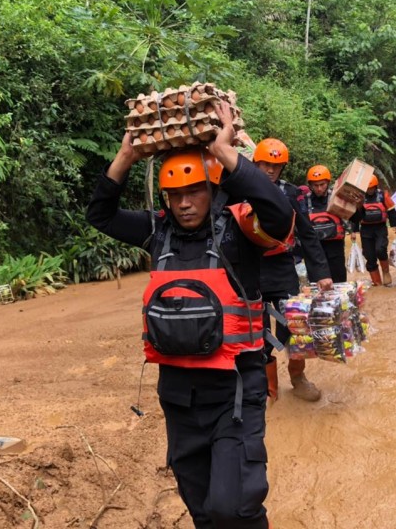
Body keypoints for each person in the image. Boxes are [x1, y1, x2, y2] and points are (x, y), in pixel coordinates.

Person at [86, 100, 294, 528]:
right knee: (201, 507)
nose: (183, 203)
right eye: (174, 195)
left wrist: (225, 152)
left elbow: (280, 214)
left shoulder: (239, 228)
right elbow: (100, 215)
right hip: (180, 396)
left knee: (233, 506)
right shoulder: (157, 231)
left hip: (235, 390)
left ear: (212, 189)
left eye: (193, 191)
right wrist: (127, 155)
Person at [253, 139, 332, 404]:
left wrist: (321, 272)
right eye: (265, 164)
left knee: (294, 325)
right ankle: (268, 391)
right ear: (255, 162)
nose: (270, 170)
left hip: (283, 268)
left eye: (276, 165)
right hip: (252, 271)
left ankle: (298, 378)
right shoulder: (240, 191)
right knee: (257, 331)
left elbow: (307, 234)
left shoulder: (290, 194)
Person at [304, 164, 365, 281]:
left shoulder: (337, 197)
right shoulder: (304, 201)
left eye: (322, 184)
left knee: (338, 282)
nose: (319, 189)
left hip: (335, 249)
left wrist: (359, 206)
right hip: (314, 250)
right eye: (315, 185)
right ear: (310, 185)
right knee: (317, 284)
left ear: (328, 183)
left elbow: (355, 218)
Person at [351, 175, 396, 286]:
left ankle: (386, 272)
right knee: (369, 255)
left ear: (375, 186)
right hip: (366, 229)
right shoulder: (360, 198)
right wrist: (353, 231)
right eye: (367, 188)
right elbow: (355, 215)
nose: (369, 190)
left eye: (371, 188)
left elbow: (391, 211)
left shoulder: (383, 195)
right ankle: (377, 282)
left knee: (380, 249)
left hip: (380, 228)